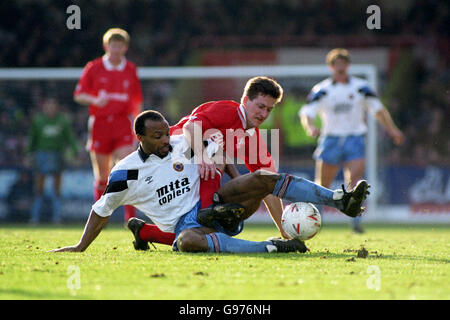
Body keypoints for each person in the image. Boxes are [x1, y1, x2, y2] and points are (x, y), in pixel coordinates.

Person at [51, 110, 370, 254]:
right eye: (158, 136)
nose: (166, 139)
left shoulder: (181, 142)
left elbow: (220, 153)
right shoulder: (126, 173)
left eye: (166, 132)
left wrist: (240, 182)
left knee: (262, 176)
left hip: (220, 204)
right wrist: (81, 246)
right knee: (187, 241)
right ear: (140, 138)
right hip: (190, 225)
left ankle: (340, 200)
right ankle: (272, 248)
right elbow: (101, 209)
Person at [299, 48, 404, 233]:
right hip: (330, 139)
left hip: (355, 138)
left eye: (343, 63)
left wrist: (392, 129)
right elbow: (307, 113)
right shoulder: (322, 90)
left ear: (348, 65)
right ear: (331, 66)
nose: (340, 67)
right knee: (322, 184)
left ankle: (355, 221)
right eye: (336, 64)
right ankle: (314, 221)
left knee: (355, 181)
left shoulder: (361, 87)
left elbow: (378, 110)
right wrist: (310, 127)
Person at [73, 28, 143, 224]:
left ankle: (131, 218)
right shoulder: (93, 67)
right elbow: (79, 95)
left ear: (125, 48)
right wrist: (95, 100)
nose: (116, 50)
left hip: (122, 123)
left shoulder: (130, 69)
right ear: (106, 46)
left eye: (120, 46)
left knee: (127, 170)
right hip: (100, 125)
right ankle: (100, 218)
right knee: (103, 175)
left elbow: (136, 101)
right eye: (113, 46)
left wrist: (139, 127)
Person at [27, 98, 79, 224]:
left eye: (53, 106)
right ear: (44, 107)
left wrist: (75, 151)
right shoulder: (38, 121)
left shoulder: (62, 121)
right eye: (48, 106)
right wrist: (28, 153)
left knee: (56, 189)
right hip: (41, 155)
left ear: (56, 107)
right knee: (39, 189)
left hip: (57, 155)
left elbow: (69, 137)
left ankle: (57, 218)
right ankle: (35, 218)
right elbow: (32, 138)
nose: (50, 108)